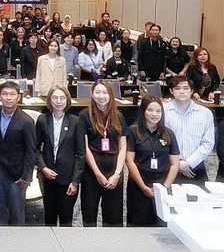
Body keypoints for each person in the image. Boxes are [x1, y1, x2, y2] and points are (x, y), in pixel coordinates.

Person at [124, 96, 180, 226]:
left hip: (163, 183)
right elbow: (130, 161)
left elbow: (175, 164)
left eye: (158, 111)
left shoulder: (168, 134)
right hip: (139, 183)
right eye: (150, 110)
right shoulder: (133, 131)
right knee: (138, 222)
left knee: (161, 223)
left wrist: (164, 187)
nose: (154, 114)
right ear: (143, 111)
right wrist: (143, 187)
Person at [79, 80, 126, 227]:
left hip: (114, 171)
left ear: (110, 95)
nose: (101, 96)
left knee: (114, 217)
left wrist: (117, 173)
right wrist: (97, 173)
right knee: (89, 214)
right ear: (92, 94)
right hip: (91, 172)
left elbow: (123, 147)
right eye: (97, 92)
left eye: (104, 92)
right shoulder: (85, 115)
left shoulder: (118, 116)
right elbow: (85, 147)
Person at [0, 81, 37, 226]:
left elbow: (31, 151)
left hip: (17, 175)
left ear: (18, 97)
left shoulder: (26, 121)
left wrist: (26, 177)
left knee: (17, 215)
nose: (8, 98)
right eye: (5, 94)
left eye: (12, 94)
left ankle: (17, 239)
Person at [35, 86, 83, 227]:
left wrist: (75, 181)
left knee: (66, 218)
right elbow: (35, 148)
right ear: (49, 100)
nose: (58, 101)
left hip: (68, 178)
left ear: (67, 100)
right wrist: (43, 168)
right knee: (49, 217)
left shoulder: (75, 121)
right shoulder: (43, 120)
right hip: (47, 176)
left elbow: (81, 154)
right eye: (55, 97)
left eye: (62, 98)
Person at [163, 76, 215, 183]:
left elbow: (208, 143)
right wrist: (176, 163)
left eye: (185, 88)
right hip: (168, 166)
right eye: (177, 88)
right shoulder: (163, 110)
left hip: (196, 166)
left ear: (191, 91)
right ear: (171, 91)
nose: (181, 91)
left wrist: (188, 163)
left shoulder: (205, 113)